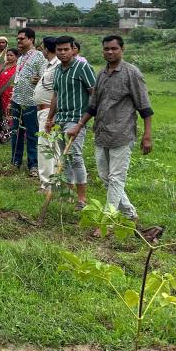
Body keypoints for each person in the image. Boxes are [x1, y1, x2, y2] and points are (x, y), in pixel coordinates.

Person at [68, 35, 154, 229]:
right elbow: (93, 106)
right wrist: (79, 126)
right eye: (106, 49)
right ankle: (130, 214)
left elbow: (145, 108)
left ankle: (107, 222)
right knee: (106, 178)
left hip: (122, 134)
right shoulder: (102, 74)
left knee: (116, 178)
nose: (110, 52)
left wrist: (147, 136)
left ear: (122, 50)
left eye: (114, 48)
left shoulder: (132, 73)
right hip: (101, 134)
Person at [46, 36, 97, 211]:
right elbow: (56, 95)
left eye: (66, 49)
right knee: (64, 158)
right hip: (60, 119)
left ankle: (82, 199)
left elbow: (94, 93)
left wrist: (87, 120)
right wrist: (50, 118)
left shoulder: (83, 67)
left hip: (77, 120)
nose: (62, 53)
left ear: (73, 49)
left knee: (74, 156)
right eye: (59, 50)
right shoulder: (58, 69)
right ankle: (68, 195)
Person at [10, 27, 47, 177]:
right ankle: (15, 161)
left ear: (31, 40)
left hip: (31, 101)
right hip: (17, 99)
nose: (18, 41)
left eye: (21, 39)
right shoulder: (20, 58)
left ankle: (33, 165)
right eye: (17, 39)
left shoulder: (38, 57)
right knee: (16, 132)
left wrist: (39, 80)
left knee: (32, 134)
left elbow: (46, 77)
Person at [33, 37, 61, 218]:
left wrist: (52, 116)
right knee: (53, 148)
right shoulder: (50, 65)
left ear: (45, 48)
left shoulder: (57, 66)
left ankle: (47, 185)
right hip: (44, 111)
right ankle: (55, 182)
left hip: (49, 113)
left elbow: (57, 92)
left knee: (45, 148)